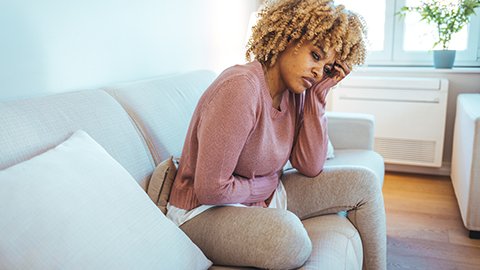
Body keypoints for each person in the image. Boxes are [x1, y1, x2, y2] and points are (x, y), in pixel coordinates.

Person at [167, 0, 386, 269]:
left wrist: (317, 98)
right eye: (316, 56)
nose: (319, 72)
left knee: (365, 183)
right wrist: (264, 185)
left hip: (259, 198)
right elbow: (211, 189)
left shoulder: (296, 93)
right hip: (203, 212)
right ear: (288, 38)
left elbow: (310, 165)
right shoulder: (241, 88)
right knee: (290, 239)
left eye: (327, 68)